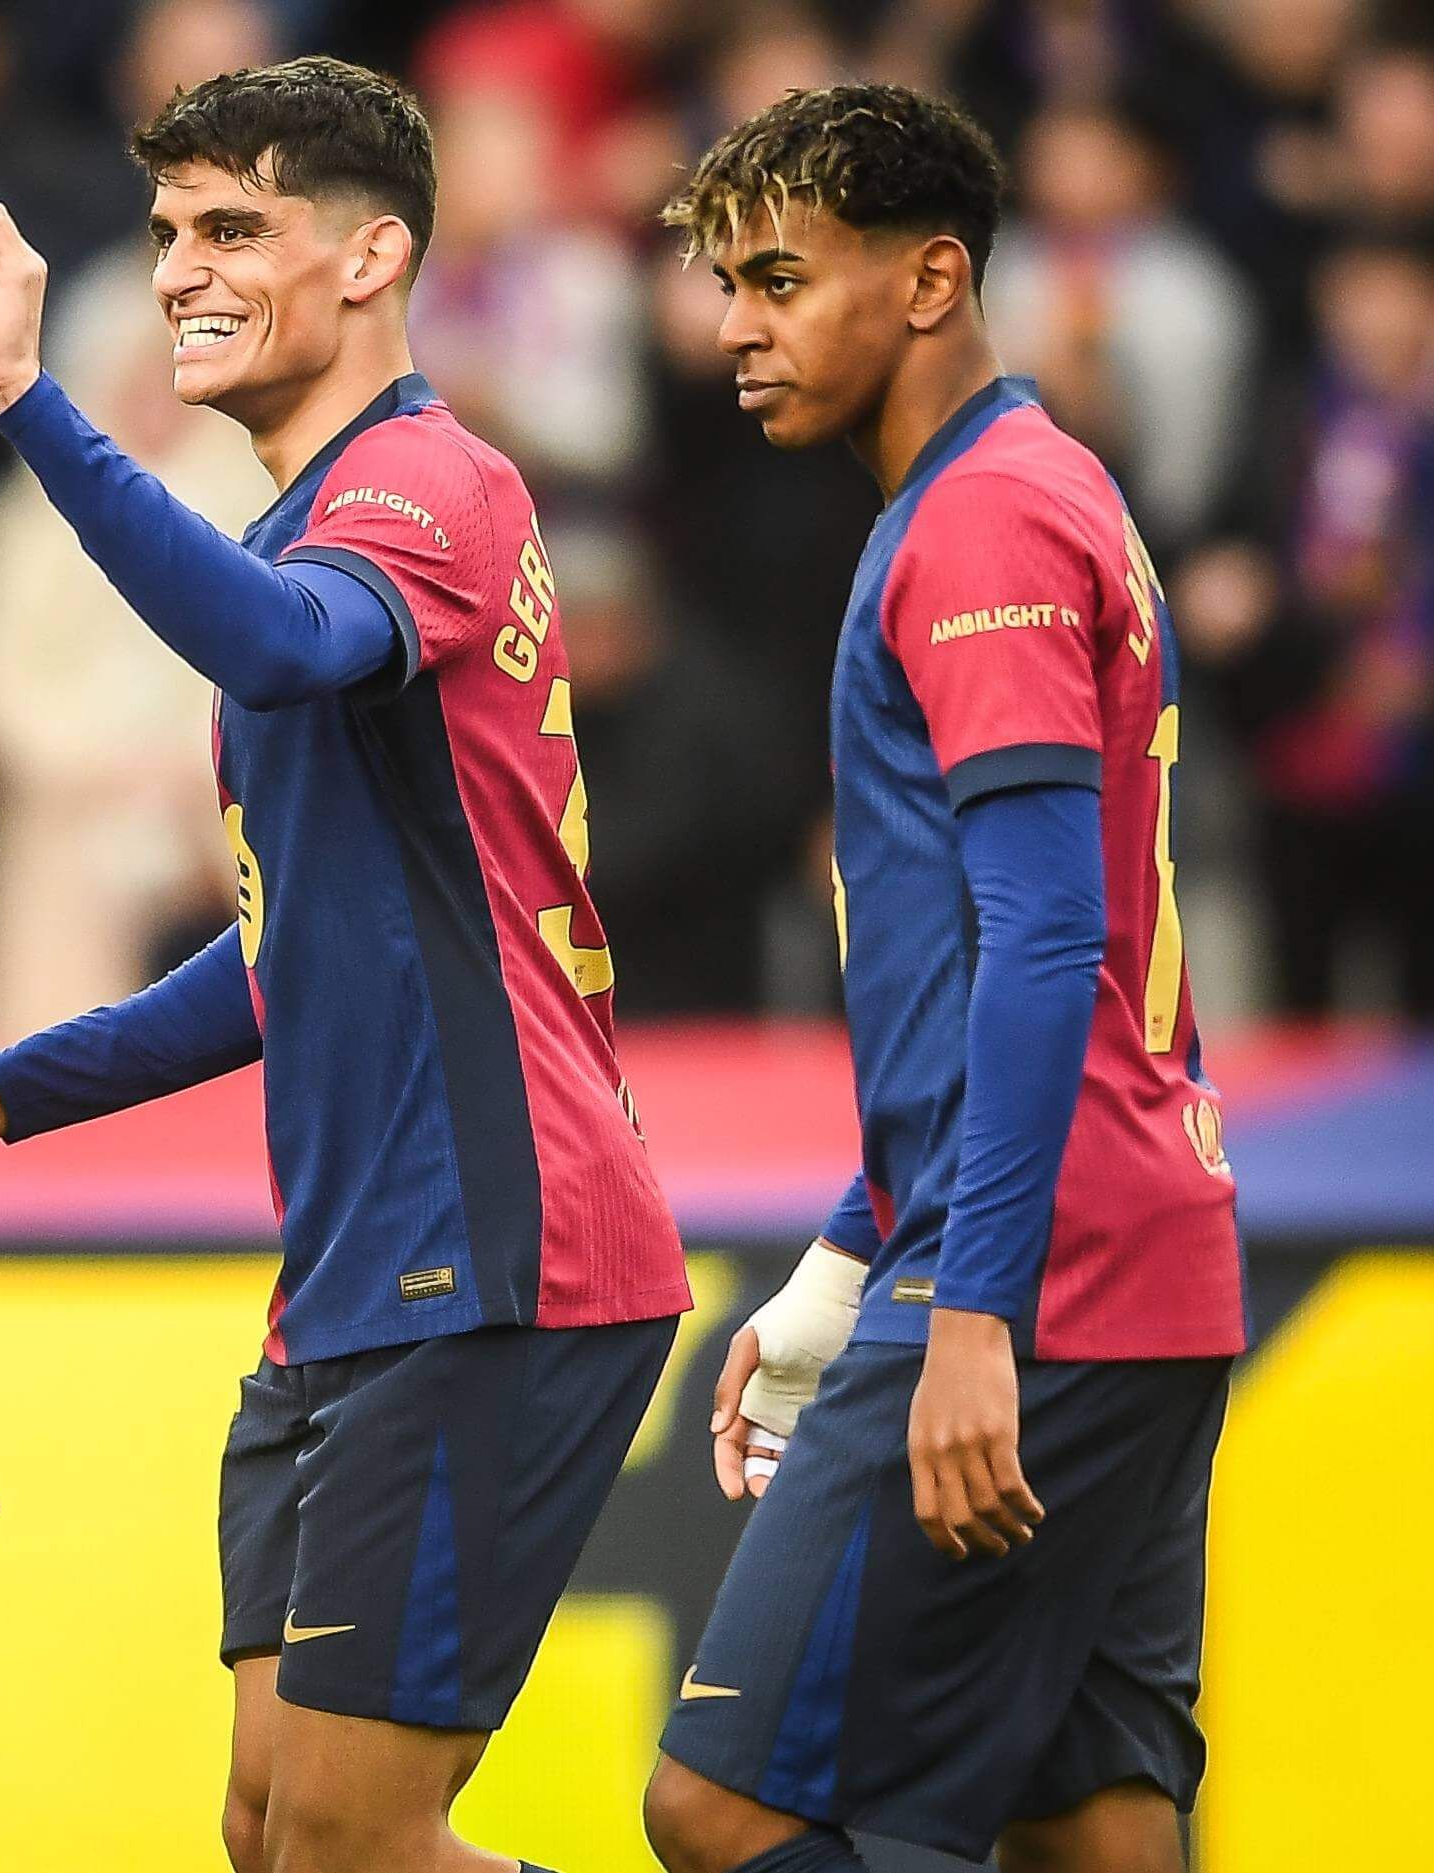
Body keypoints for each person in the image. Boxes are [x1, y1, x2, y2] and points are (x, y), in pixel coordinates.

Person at [0, 56, 688, 1873]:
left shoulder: (420, 481)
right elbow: (280, 953)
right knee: (274, 1837)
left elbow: (270, 647)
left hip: (496, 1261)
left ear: (372, 256)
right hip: (350, 1283)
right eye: (170, 228)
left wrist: (29, 403)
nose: (181, 266)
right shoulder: (297, 521)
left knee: (352, 1842)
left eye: (236, 226)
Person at [647, 84, 1247, 1873]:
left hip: (1039, 1271)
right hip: (1135, 1252)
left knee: (726, 1806)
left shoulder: (978, 522)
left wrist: (965, 1308)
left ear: (926, 281)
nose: (734, 327)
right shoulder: (1027, 488)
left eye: (777, 278)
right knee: (1091, 1828)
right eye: (722, 284)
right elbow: (998, 959)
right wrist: (855, 1247)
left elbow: (1050, 938)